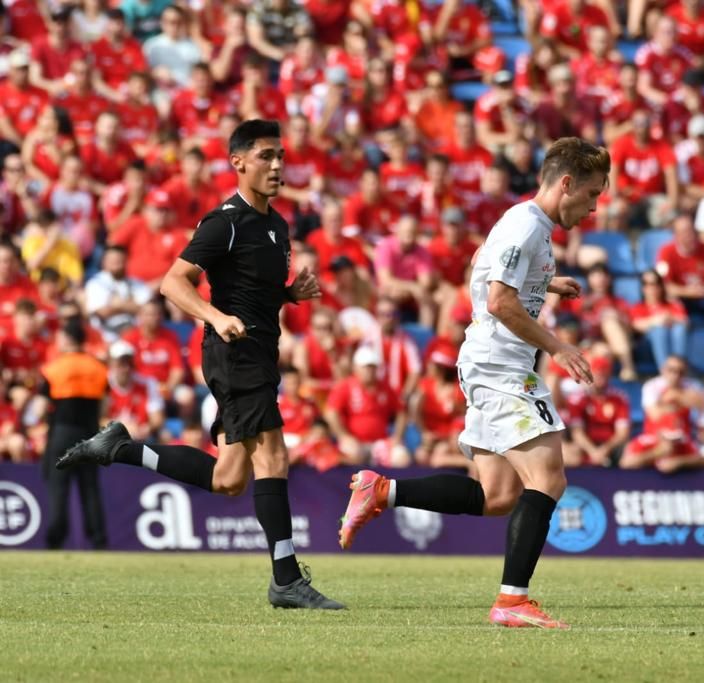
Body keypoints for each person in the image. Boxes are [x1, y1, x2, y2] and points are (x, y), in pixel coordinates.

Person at [56, 119, 342, 610]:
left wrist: (289, 295)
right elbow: (173, 282)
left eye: (280, 157)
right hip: (234, 354)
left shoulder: (276, 225)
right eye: (266, 156)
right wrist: (216, 316)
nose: (277, 166)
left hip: (257, 352)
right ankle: (286, 579)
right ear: (238, 162)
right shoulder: (224, 221)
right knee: (273, 456)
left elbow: (254, 290)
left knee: (229, 478)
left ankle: (120, 449)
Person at [337, 137, 607, 629]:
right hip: (501, 366)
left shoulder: (528, 226)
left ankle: (382, 491)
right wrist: (557, 347)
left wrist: (546, 284)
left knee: (497, 496)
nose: (593, 207)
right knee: (547, 479)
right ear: (565, 183)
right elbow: (500, 301)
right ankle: (512, 601)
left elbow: (479, 270)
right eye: (591, 194)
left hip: (489, 362)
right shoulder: (525, 227)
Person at [39, 319, 108, 550]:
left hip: (62, 431)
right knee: (90, 488)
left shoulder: (54, 368)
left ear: (67, 339)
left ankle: (56, 537)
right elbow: (105, 406)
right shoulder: (98, 368)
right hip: (89, 433)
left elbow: (40, 408)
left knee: (58, 487)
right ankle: (98, 538)